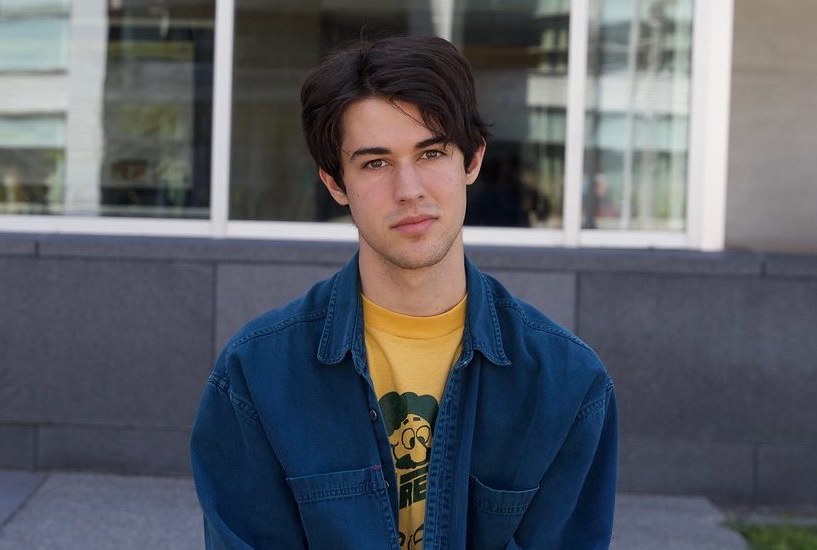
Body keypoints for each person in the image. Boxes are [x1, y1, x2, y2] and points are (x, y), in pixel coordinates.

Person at [190, 35, 617, 549]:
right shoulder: (257, 374)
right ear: (334, 183)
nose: (409, 189)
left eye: (431, 152)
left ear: (472, 160)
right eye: (375, 163)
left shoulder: (566, 384)